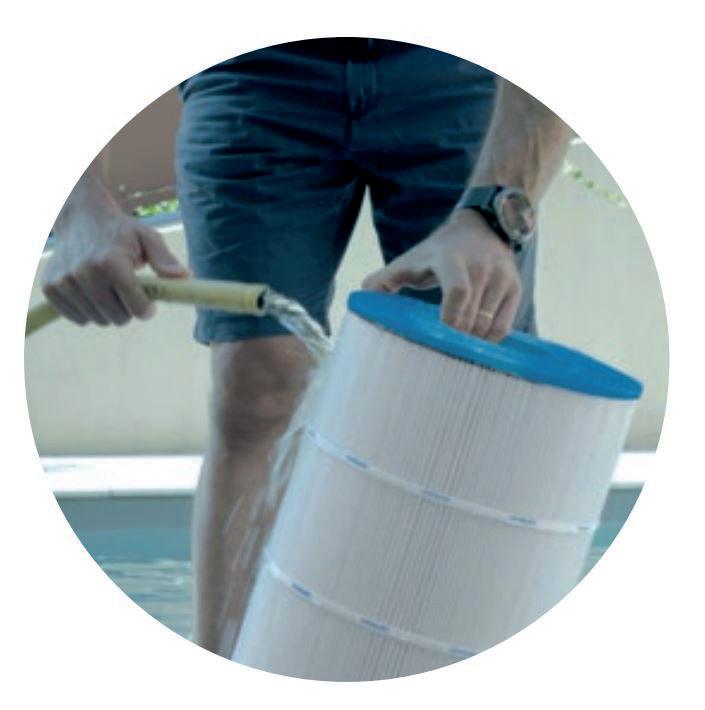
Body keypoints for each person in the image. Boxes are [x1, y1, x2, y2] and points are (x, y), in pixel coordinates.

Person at [41, 38, 571, 657]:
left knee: (475, 386)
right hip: (255, 71)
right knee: (259, 385)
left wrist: (493, 211)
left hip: (459, 70)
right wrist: (75, 207)